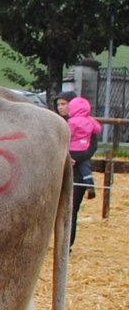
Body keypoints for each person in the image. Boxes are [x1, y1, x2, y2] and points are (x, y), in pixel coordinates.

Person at [59, 93, 101, 247]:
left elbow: (92, 147)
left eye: (64, 104)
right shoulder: (56, 122)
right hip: (60, 169)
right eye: (59, 104)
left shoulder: (75, 123)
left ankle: (67, 244)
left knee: (71, 209)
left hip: (76, 169)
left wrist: (75, 158)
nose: (60, 107)